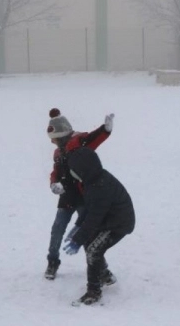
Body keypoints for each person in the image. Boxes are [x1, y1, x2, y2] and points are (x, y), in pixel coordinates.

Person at [44, 108, 113, 280]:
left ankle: (102, 270)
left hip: (85, 197)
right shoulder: (58, 152)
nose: (52, 143)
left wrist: (105, 129)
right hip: (67, 197)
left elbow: (94, 138)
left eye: (54, 139)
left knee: (88, 233)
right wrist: (54, 183)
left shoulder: (80, 142)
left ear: (63, 135)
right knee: (57, 230)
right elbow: (56, 172)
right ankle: (52, 261)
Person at [63, 147, 135, 306]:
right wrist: (77, 227)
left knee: (93, 250)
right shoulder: (92, 180)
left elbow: (94, 217)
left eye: (74, 170)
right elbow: (89, 208)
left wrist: (78, 239)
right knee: (90, 244)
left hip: (118, 223)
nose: (72, 173)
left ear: (83, 169)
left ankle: (93, 292)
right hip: (107, 219)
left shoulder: (100, 186)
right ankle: (104, 275)